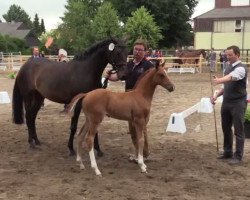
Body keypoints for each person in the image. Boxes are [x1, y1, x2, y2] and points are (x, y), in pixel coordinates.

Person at [106, 39, 154, 157]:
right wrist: (108, 75)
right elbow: (118, 77)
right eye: (135, 49)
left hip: (141, 101)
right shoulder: (129, 65)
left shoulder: (149, 66)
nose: (137, 52)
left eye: (140, 50)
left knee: (141, 129)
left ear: (145, 52)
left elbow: (154, 81)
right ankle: (139, 153)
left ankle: (145, 154)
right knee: (132, 130)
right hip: (128, 99)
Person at [211, 45, 247, 165]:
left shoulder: (241, 68)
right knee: (226, 128)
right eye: (227, 54)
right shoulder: (227, 67)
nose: (228, 57)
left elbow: (232, 77)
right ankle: (228, 152)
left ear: (238, 55)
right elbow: (225, 86)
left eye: (230, 55)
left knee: (239, 130)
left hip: (238, 103)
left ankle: (238, 156)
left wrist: (219, 80)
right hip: (226, 102)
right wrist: (216, 96)